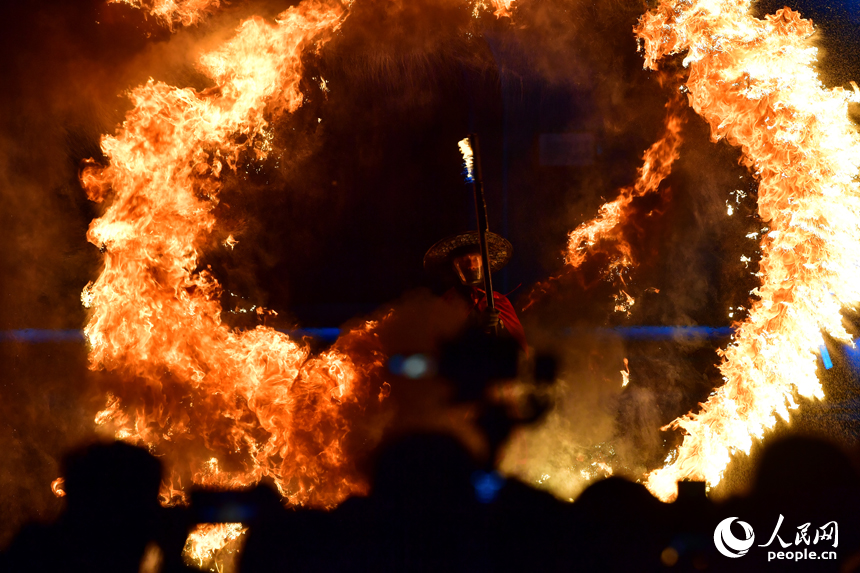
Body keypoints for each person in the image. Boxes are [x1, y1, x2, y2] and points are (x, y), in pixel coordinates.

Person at [424, 230, 527, 351]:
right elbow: (441, 347)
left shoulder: (499, 301)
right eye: (464, 260)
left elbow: (515, 345)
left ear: (485, 262)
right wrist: (478, 327)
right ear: (454, 266)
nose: (470, 265)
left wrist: (499, 327)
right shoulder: (447, 303)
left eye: (475, 258)